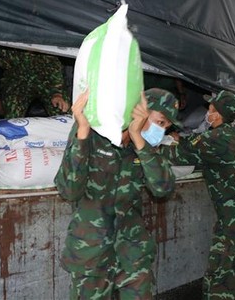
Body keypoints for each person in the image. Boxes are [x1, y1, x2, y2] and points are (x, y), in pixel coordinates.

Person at [54, 88, 180, 299]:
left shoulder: (145, 147)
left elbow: (163, 188)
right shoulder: (94, 132)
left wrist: (138, 138)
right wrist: (82, 133)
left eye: (166, 127)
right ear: (140, 111)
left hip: (132, 251)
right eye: (160, 122)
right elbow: (68, 190)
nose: (162, 131)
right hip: (91, 252)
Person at [161, 90, 235, 299]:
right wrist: (183, 140)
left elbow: (178, 155)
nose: (208, 113)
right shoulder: (231, 134)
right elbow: (197, 144)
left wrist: (141, 144)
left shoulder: (216, 138)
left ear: (219, 114)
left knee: (218, 285)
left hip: (234, 226)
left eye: (211, 109)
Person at [0, 44, 69, 118]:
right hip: (16, 79)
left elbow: (54, 66)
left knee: (63, 110)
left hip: (46, 79)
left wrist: (57, 93)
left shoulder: (42, 37)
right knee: (12, 111)